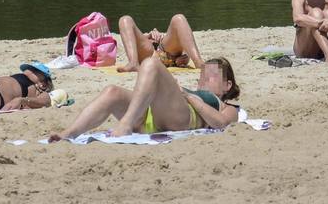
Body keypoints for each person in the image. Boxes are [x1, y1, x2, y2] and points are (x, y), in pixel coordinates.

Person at [51, 56, 241, 141]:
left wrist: (192, 99)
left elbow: (220, 123)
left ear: (227, 85)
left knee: (151, 64)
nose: (204, 80)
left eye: (211, 76)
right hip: (151, 118)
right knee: (112, 92)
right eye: (202, 76)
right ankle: (70, 133)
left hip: (185, 118)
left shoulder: (227, 106)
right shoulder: (192, 92)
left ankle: (125, 124)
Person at [116, 14, 204, 72]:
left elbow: (181, 36)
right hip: (149, 53)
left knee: (178, 18)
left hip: (166, 50)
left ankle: (198, 62)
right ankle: (133, 63)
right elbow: (131, 37)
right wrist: (147, 36)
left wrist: (186, 54)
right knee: (125, 19)